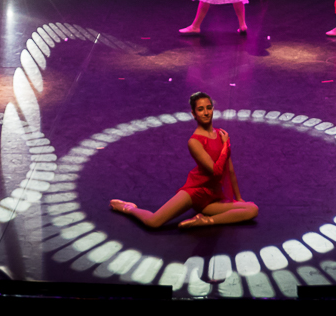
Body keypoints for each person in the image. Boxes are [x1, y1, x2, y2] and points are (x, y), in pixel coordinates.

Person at [109, 92, 259, 228]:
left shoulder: (221, 135)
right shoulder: (194, 142)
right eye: (200, 109)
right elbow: (217, 172)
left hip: (214, 197)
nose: (206, 113)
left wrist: (239, 198)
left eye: (209, 108)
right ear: (194, 114)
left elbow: (230, 169)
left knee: (252, 209)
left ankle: (205, 221)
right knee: (153, 222)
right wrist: (226, 146)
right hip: (196, 192)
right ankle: (128, 208)